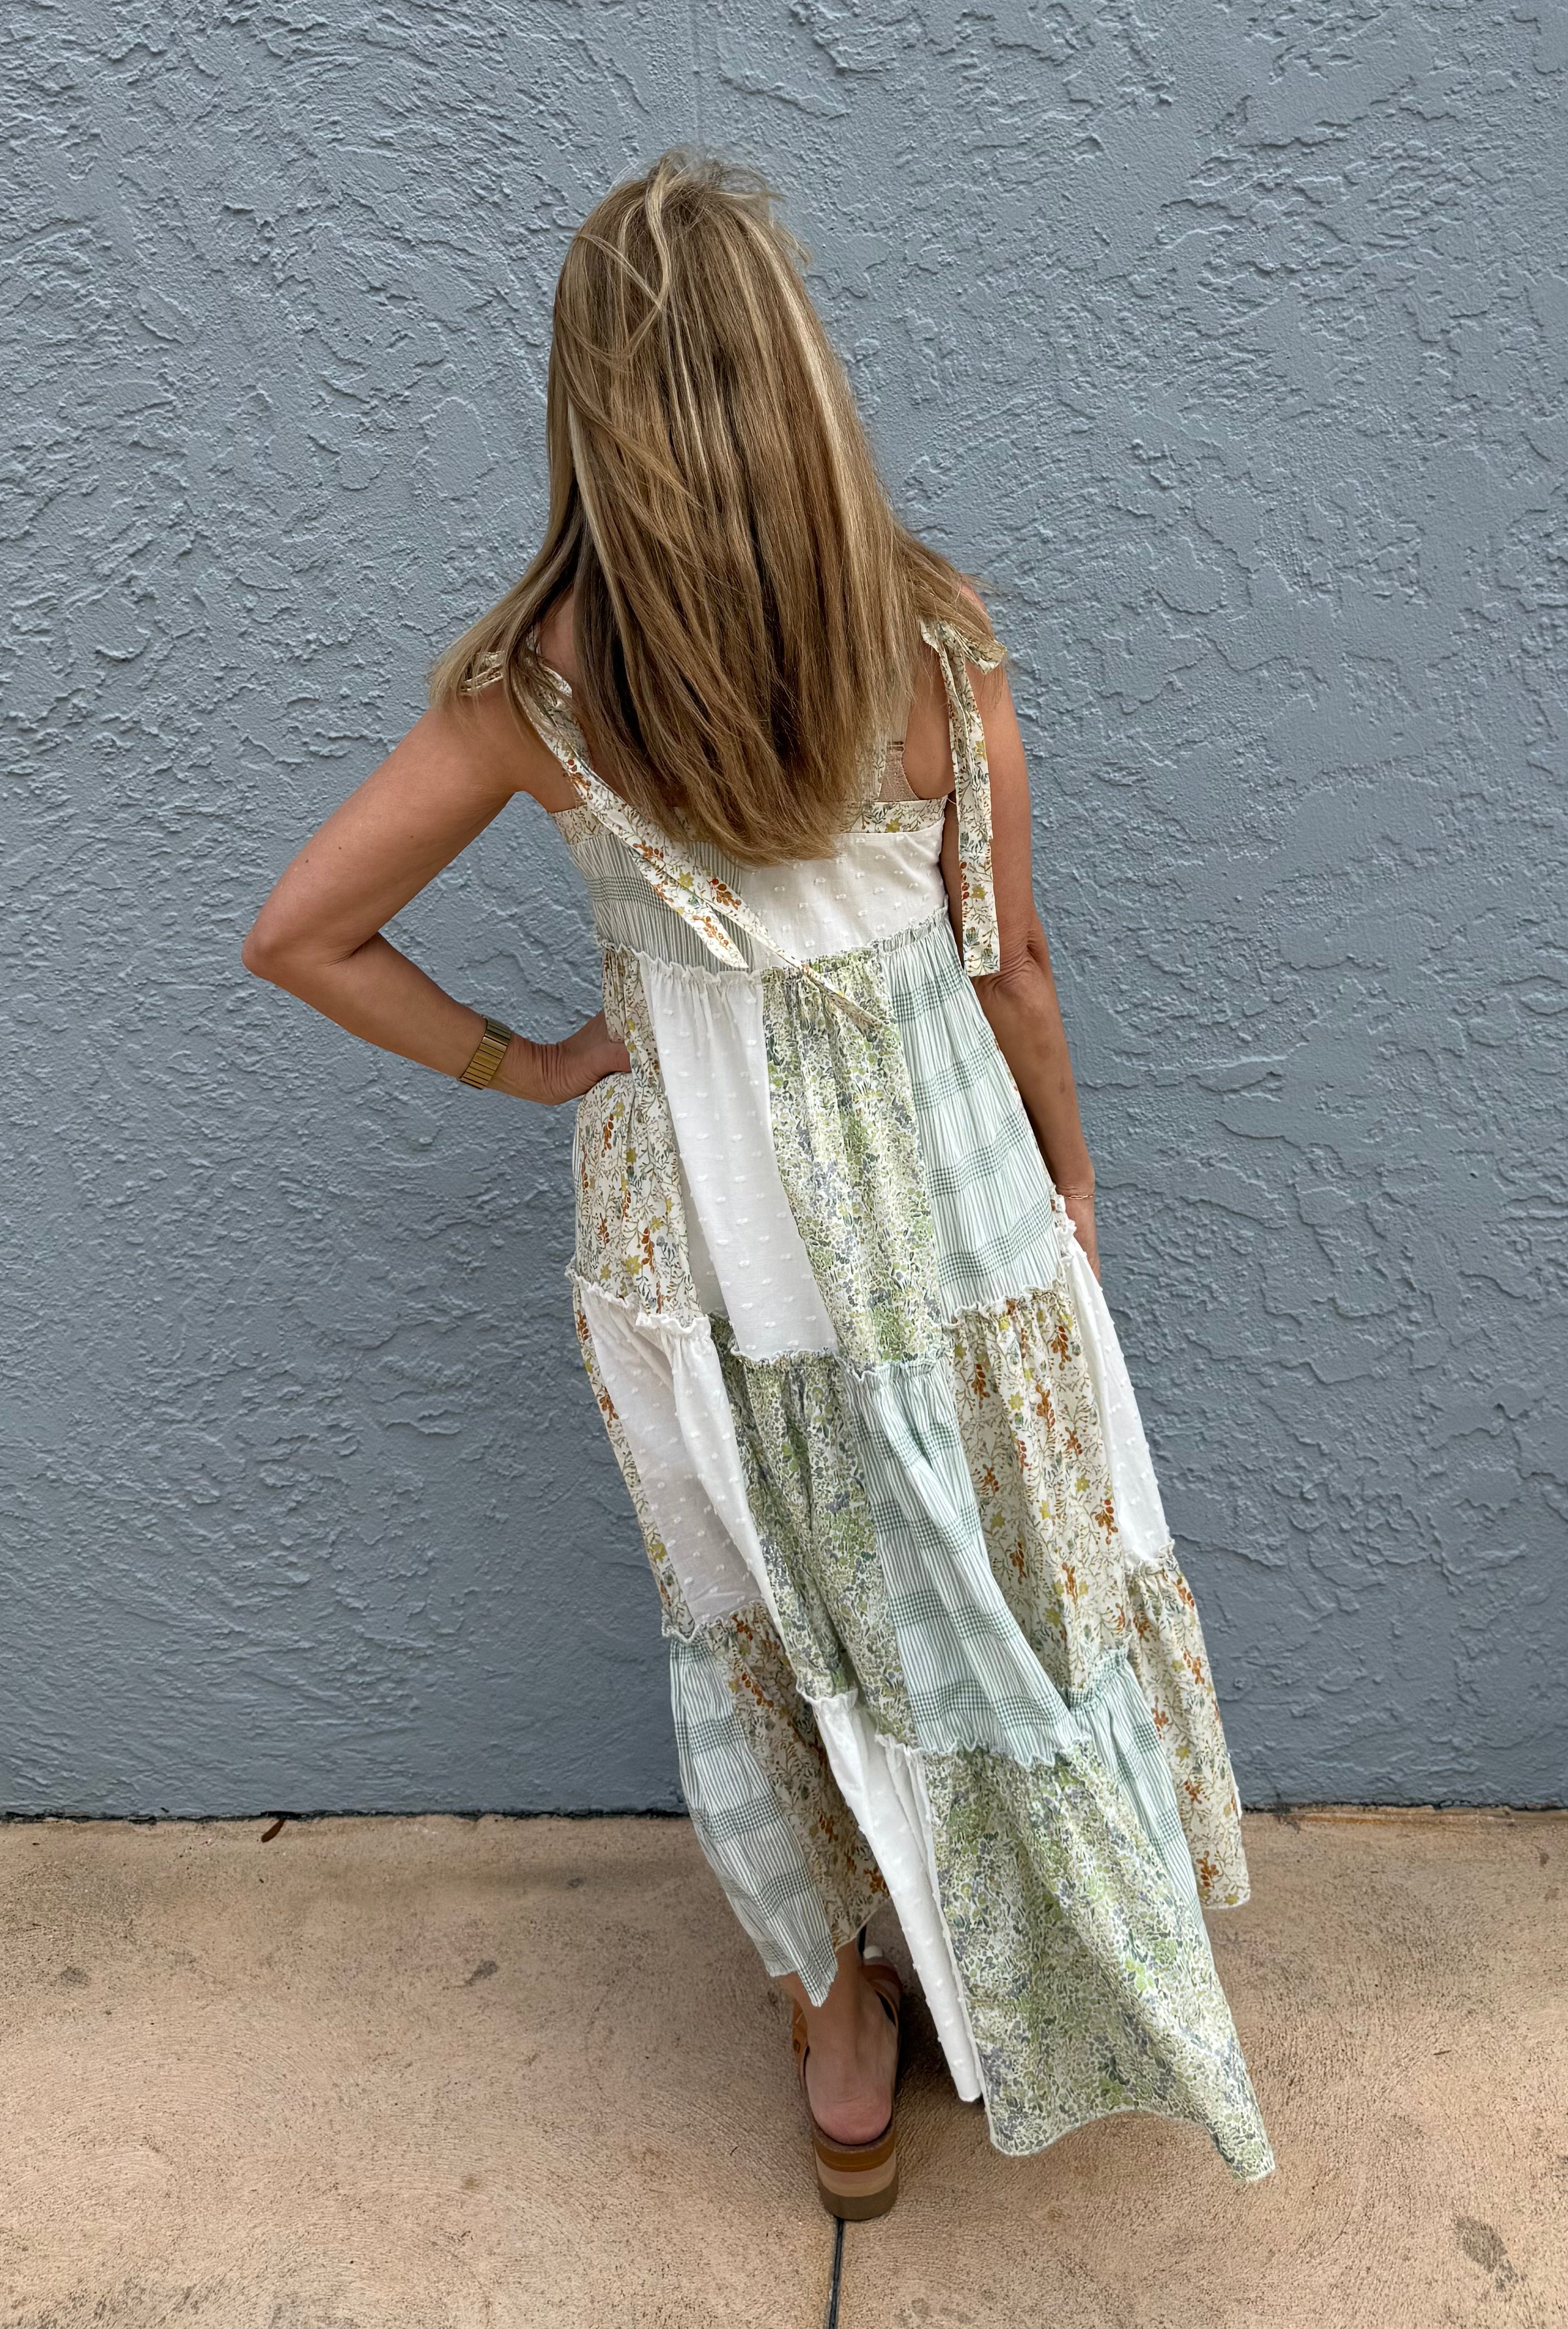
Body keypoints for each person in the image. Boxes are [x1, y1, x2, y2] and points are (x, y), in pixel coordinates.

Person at [243, 149, 1274, 2220]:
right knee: (994, 1585)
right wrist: (1075, 1188)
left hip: (699, 1242)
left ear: (585, 419)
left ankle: (843, 2043)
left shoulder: (539, 690)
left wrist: (540, 1064)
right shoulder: (934, 641)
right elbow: (1015, 962)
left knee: (759, 1614)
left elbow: (301, 934)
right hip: (952, 1220)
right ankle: (1039, 1972)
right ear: (806, 384)